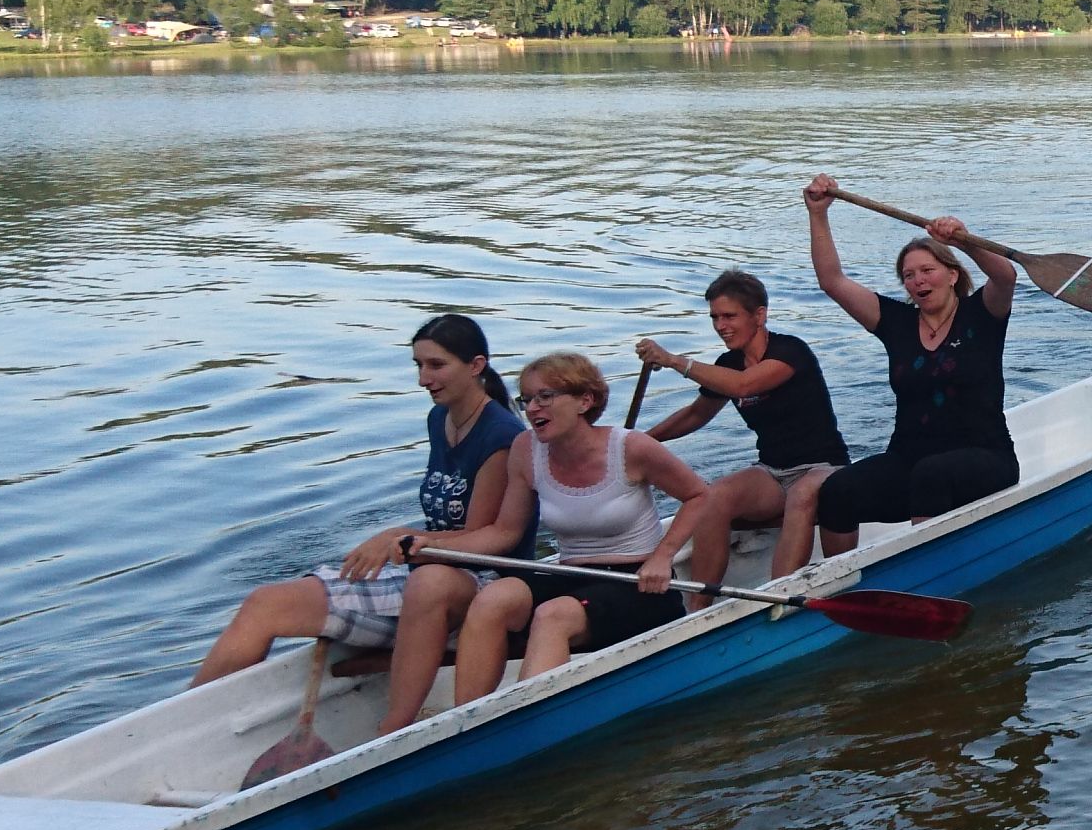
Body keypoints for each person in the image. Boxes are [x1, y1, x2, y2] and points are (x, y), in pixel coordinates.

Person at [189, 312, 528, 756]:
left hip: (477, 579)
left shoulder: (501, 435)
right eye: (418, 365)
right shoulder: (439, 419)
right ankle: (185, 720)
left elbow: (485, 539)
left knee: (419, 584)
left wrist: (400, 537)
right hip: (426, 562)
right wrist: (405, 543)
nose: (424, 378)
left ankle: (392, 733)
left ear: (476, 365)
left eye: (436, 365)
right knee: (264, 603)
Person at [434, 351, 710, 702]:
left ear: (585, 401)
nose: (533, 408)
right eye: (527, 399)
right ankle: (468, 725)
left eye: (545, 397)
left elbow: (700, 496)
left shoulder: (631, 447)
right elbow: (504, 533)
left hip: (638, 583)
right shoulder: (525, 449)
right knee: (492, 599)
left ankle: (530, 721)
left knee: (553, 615)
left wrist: (662, 557)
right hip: (572, 576)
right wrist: (433, 549)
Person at [802, 171, 1017, 555]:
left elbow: (1006, 275)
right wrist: (818, 214)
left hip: (987, 457)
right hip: (908, 457)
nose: (917, 280)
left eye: (927, 270)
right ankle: (843, 581)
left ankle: (925, 577)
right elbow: (832, 281)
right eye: (908, 275)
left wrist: (965, 241)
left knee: (930, 477)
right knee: (837, 491)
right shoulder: (895, 323)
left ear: (952, 275)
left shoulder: (981, 314)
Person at [637, 268, 851, 581]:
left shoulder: (791, 351)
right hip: (773, 472)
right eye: (714, 318)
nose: (720, 327)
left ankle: (778, 598)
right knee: (714, 496)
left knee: (802, 494)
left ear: (759, 315)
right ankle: (698, 612)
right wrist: (639, 441)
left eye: (729, 316)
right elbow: (697, 414)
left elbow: (744, 386)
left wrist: (675, 361)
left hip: (824, 467)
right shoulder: (728, 364)